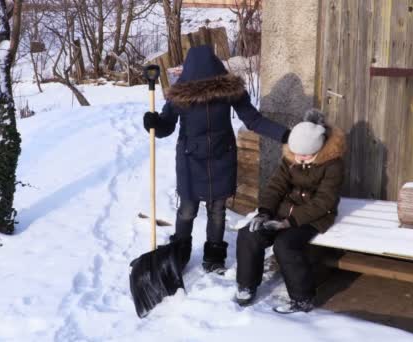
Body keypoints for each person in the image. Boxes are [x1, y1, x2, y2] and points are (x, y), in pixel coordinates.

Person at [143, 45, 290, 275]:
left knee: (216, 210)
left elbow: (253, 120)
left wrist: (285, 135)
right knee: (189, 210)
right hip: (191, 162)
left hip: (221, 159)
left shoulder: (229, 93)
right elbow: (166, 125)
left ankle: (213, 257)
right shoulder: (180, 96)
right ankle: (179, 254)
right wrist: (154, 123)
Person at [234, 109, 345, 313]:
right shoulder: (291, 158)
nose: (300, 158)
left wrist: (289, 223)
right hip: (283, 211)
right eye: (297, 154)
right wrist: (265, 212)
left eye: (306, 155)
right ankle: (246, 285)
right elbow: (276, 186)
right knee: (249, 233)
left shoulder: (333, 164)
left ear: (318, 148)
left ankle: (302, 299)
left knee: (284, 244)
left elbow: (324, 202)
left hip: (313, 216)